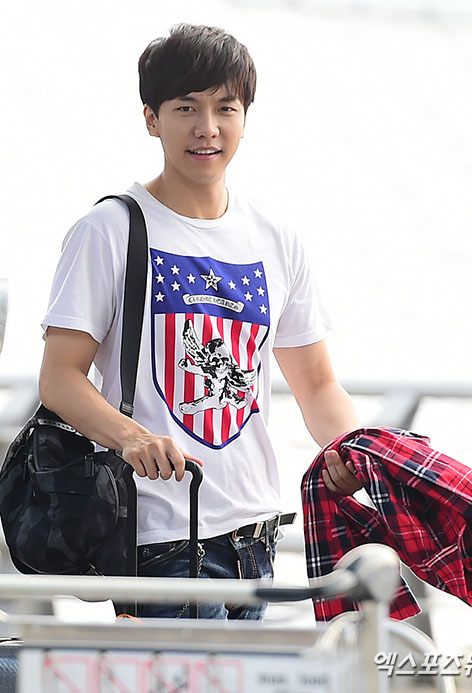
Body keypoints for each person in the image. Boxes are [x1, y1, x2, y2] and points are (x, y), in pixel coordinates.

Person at [39, 23, 362, 620]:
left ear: (244, 119)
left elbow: (317, 383)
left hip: (257, 533)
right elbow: (60, 378)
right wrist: (131, 437)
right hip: (159, 535)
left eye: (225, 108)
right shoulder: (109, 230)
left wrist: (352, 452)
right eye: (186, 108)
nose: (207, 128)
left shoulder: (275, 238)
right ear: (151, 118)